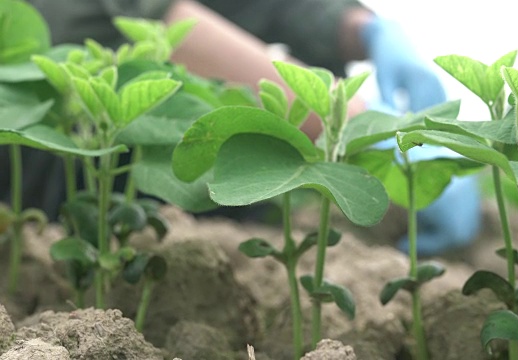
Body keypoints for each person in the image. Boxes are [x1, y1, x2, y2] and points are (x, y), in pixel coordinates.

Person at [4, 0, 481, 256]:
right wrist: (392, 138)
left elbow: (272, 6)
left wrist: (364, 27)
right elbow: (171, 26)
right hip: (55, 196)